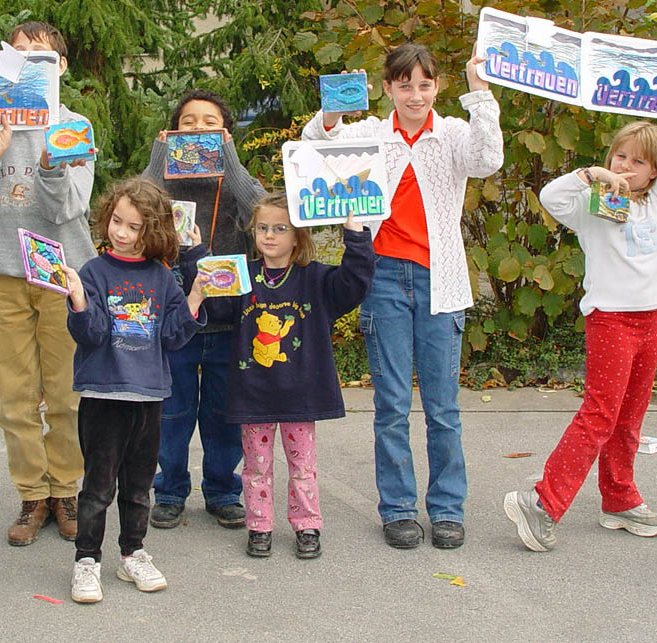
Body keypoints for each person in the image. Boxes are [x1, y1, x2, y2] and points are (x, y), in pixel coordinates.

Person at [301, 43, 503, 549]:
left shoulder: (451, 134)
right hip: (384, 277)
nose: (416, 95)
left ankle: (447, 508)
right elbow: (315, 144)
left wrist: (480, 91)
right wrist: (334, 108)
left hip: (441, 279)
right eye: (405, 85)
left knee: (442, 407)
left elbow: (488, 158)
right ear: (388, 88)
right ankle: (397, 508)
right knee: (391, 403)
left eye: (425, 85)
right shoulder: (371, 132)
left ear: (437, 87)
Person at [503, 73, 657, 552]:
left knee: (629, 418)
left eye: (639, 162)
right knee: (599, 414)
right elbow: (551, 198)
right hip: (611, 320)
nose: (627, 167)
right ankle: (542, 502)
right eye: (620, 157)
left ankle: (619, 498)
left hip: (650, 318)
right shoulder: (591, 204)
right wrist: (591, 174)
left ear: (654, 172)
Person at [0, 21, 96, 546]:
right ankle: (33, 495)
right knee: (14, 398)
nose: (28, 62)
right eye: (19, 53)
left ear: (60, 66)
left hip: (62, 276)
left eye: (40, 55)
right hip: (6, 274)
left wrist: (51, 166)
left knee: (68, 396)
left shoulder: (73, 125)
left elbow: (70, 207)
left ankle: (66, 491)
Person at [60, 176, 209, 603]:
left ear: (153, 231)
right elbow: (91, 334)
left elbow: (174, 336)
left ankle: (133, 553)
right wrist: (79, 299)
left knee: (139, 486)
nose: (121, 233)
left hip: (149, 397)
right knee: (98, 487)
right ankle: (86, 560)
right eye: (117, 221)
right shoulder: (93, 271)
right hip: (103, 396)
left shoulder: (161, 277)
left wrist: (196, 296)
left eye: (134, 226)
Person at [204, 193, 374, 559]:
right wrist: (194, 258)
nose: (269, 236)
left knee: (302, 467)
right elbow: (216, 308)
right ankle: (259, 526)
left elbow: (355, 283)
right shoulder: (244, 275)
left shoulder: (317, 278)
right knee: (255, 467)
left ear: (298, 236)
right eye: (263, 228)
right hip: (253, 395)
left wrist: (355, 234)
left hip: (300, 394)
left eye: (280, 228)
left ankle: (307, 524)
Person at [145, 89, 265, 530]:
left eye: (210, 123)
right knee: (171, 412)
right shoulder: (164, 183)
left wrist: (229, 160)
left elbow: (260, 210)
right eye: (188, 122)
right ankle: (170, 490)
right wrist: (159, 157)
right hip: (174, 319)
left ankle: (222, 491)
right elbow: (136, 205)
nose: (198, 129)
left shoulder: (235, 182)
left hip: (229, 319)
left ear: (227, 133)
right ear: (173, 131)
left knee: (222, 413)